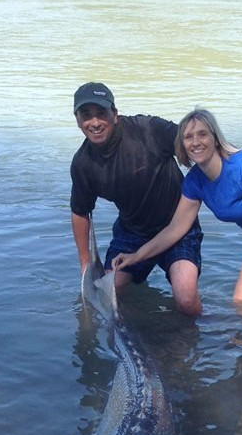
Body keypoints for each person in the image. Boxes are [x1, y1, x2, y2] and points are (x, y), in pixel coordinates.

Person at [112, 109, 242, 327]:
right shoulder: (195, 182)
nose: (196, 142)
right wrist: (136, 256)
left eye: (202, 134)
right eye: (188, 136)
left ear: (215, 138)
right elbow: (176, 228)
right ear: (181, 145)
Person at [69, 82, 202, 316]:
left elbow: (196, 142)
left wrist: (236, 155)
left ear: (115, 114)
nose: (95, 122)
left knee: (186, 299)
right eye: (86, 116)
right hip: (133, 233)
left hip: (179, 229)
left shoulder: (148, 129)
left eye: (101, 113)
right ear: (78, 120)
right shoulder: (83, 164)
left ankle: (197, 341)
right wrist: (85, 265)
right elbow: (81, 212)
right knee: (107, 294)